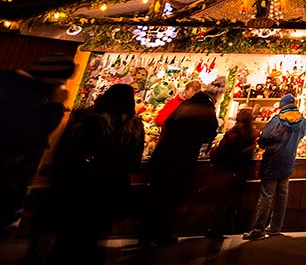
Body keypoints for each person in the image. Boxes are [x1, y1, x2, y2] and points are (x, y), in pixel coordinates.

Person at [45, 83, 144, 264]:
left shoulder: (89, 120)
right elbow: (134, 161)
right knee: (95, 234)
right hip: (112, 187)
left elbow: (70, 152)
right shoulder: (134, 127)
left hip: (82, 185)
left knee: (70, 235)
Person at [0, 53, 76, 236]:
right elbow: (34, 132)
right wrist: (56, 106)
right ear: (53, 82)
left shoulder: (8, 82)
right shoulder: (24, 96)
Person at [139, 80, 219, 246]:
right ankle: (163, 234)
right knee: (170, 197)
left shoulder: (183, 107)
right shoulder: (207, 111)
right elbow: (210, 133)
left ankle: (145, 234)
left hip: (163, 155)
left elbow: (166, 123)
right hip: (182, 158)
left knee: (154, 194)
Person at [243, 94, 306, 240]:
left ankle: (258, 229)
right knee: (282, 195)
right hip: (288, 160)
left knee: (266, 195)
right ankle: (275, 227)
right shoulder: (302, 121)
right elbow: (302, 135)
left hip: (273, 160)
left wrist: (263, 143)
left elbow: (264, 139)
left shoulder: (277, 120)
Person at [206, 108, 256, 239]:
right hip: (242, 172)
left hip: (227, 171)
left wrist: (213, 151)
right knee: (236, 201)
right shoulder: (252, 134)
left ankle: (218, 229)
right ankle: (236, 227)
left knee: (221, 202)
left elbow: (219, 154)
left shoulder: (232, 135)